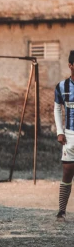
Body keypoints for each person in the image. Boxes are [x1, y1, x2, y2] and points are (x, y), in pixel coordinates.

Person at [53, 50, 74, 221]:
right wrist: (60, 131)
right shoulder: (62, 86)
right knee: (67, 171)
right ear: (70, 65)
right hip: (70, 135)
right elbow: (57, 109)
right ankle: (61, 211)